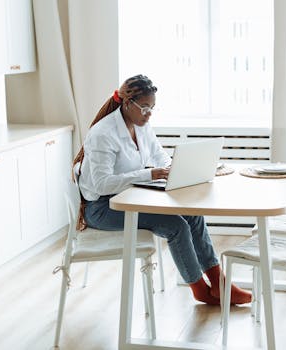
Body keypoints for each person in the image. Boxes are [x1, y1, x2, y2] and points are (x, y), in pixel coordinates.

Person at [72, 74, 251, 305]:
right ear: (127, 103)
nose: (149, 114)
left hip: (131, 196)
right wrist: (149, 174)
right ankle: (199, 289)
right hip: (102, 208)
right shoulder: (102, 134)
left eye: (153, 108)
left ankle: (219, 282)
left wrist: (178, 170)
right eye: (145, 108)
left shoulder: (142, 126)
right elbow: (101, 184)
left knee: (193, 215)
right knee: (174, 225)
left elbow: (160, 157)